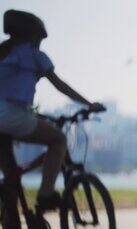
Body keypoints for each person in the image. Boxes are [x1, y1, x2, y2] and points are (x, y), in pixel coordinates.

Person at [0, 10, 103, 210]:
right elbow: (60, 85)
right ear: (33, 36)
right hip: (11, 116)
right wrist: (89, 104)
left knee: (11, 178)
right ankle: (46, 194)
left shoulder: (3, 53)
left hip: (9, 116)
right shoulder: (35, 55)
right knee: (58, 140)